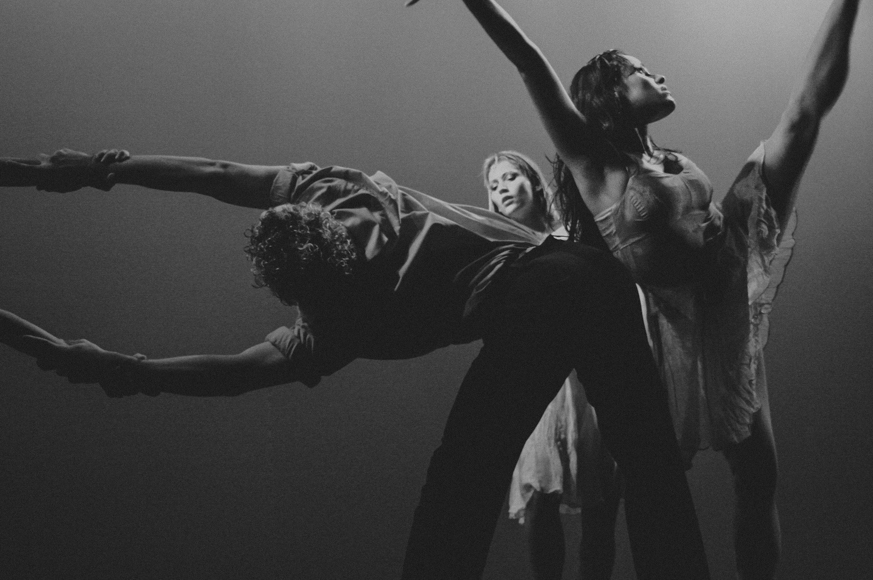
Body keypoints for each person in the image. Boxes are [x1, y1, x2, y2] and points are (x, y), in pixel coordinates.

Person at [393, 0, 873, 577]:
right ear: (608, 95)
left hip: (722, 291)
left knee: (759, 473)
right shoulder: (595, 163)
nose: (658, 75)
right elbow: (528, 63)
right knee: (644, 492)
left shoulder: (675, 161)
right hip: (656, 321)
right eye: (641, 71)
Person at [0, 148, 709, 579]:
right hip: (585, 273)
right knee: (648, 463)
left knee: (459, 482)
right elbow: (214, 174)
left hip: (533, 298)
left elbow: (229, 372)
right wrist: (100, 169)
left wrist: (124, 368)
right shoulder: (334, 190)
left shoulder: (332, 326)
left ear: (296, 288)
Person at [484, 150, 620, 580]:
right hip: (539, 380)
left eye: (508, 177)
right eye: (493, 185)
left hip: (592, 376)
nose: (501, 188)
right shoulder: (500, 250)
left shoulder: (576, 233)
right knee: (545, 497)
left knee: (603, 507)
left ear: (533, 181)